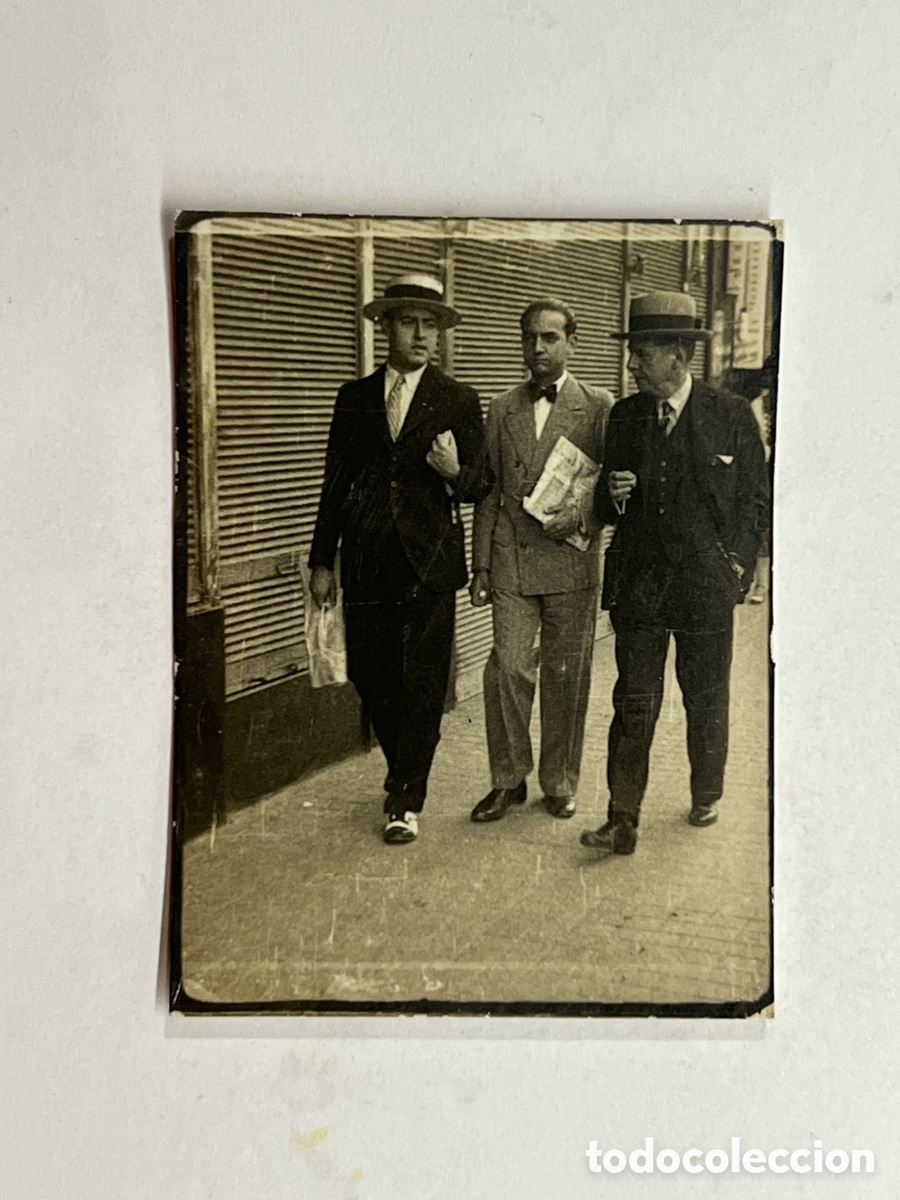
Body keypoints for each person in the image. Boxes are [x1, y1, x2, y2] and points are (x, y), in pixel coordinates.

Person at [581, 291, 769, 856]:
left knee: (704, 695)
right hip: (640, 583)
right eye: (632, 352)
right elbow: (600, 505)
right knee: (634, 699)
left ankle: (706, 790)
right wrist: (610, 496)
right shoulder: (625, 416)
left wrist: (736, 569)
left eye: (642, 353)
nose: (631, 364)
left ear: (679, 356)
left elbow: (755, 504)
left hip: (705, 587)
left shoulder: (731, 416)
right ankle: (622, 816)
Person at [308, 274, 489, 844]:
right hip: (366, 560)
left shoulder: (457, 398)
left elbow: (482, 483)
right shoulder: (354, 398)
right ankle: (402, 769)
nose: (421, 334)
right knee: (370, 671)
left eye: (430, 324)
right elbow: (334, 483)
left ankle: (406, 797)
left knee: (423, 680)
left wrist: (452, 473)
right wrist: (322, 560)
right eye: (409, 321)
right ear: (384, 326)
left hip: (428, 562)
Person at [469, 299, 612, 824]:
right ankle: (508, 781)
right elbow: (487, 491)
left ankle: (560, 781)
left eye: (550, 337)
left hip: (571, 563)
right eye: (530, 337)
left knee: (565, 674)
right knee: (506, 668)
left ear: (572, 343)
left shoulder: (599, 405)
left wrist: (581, 517)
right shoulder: (502, 406)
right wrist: (480, 566)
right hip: (511, 559)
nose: (538, 348)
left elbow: (610, 491)